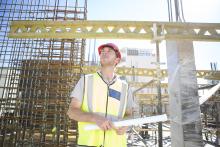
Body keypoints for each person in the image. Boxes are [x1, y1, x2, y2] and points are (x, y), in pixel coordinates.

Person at [67, 43, 133, 147]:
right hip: (88, 144)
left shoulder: (125, 87)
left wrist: (126, 125)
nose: (104, 53)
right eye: (102, 51)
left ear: (117, 60)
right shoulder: (86, 81)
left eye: (109, 51)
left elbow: (130, 114)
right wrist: (94, 118)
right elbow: (72, 111)